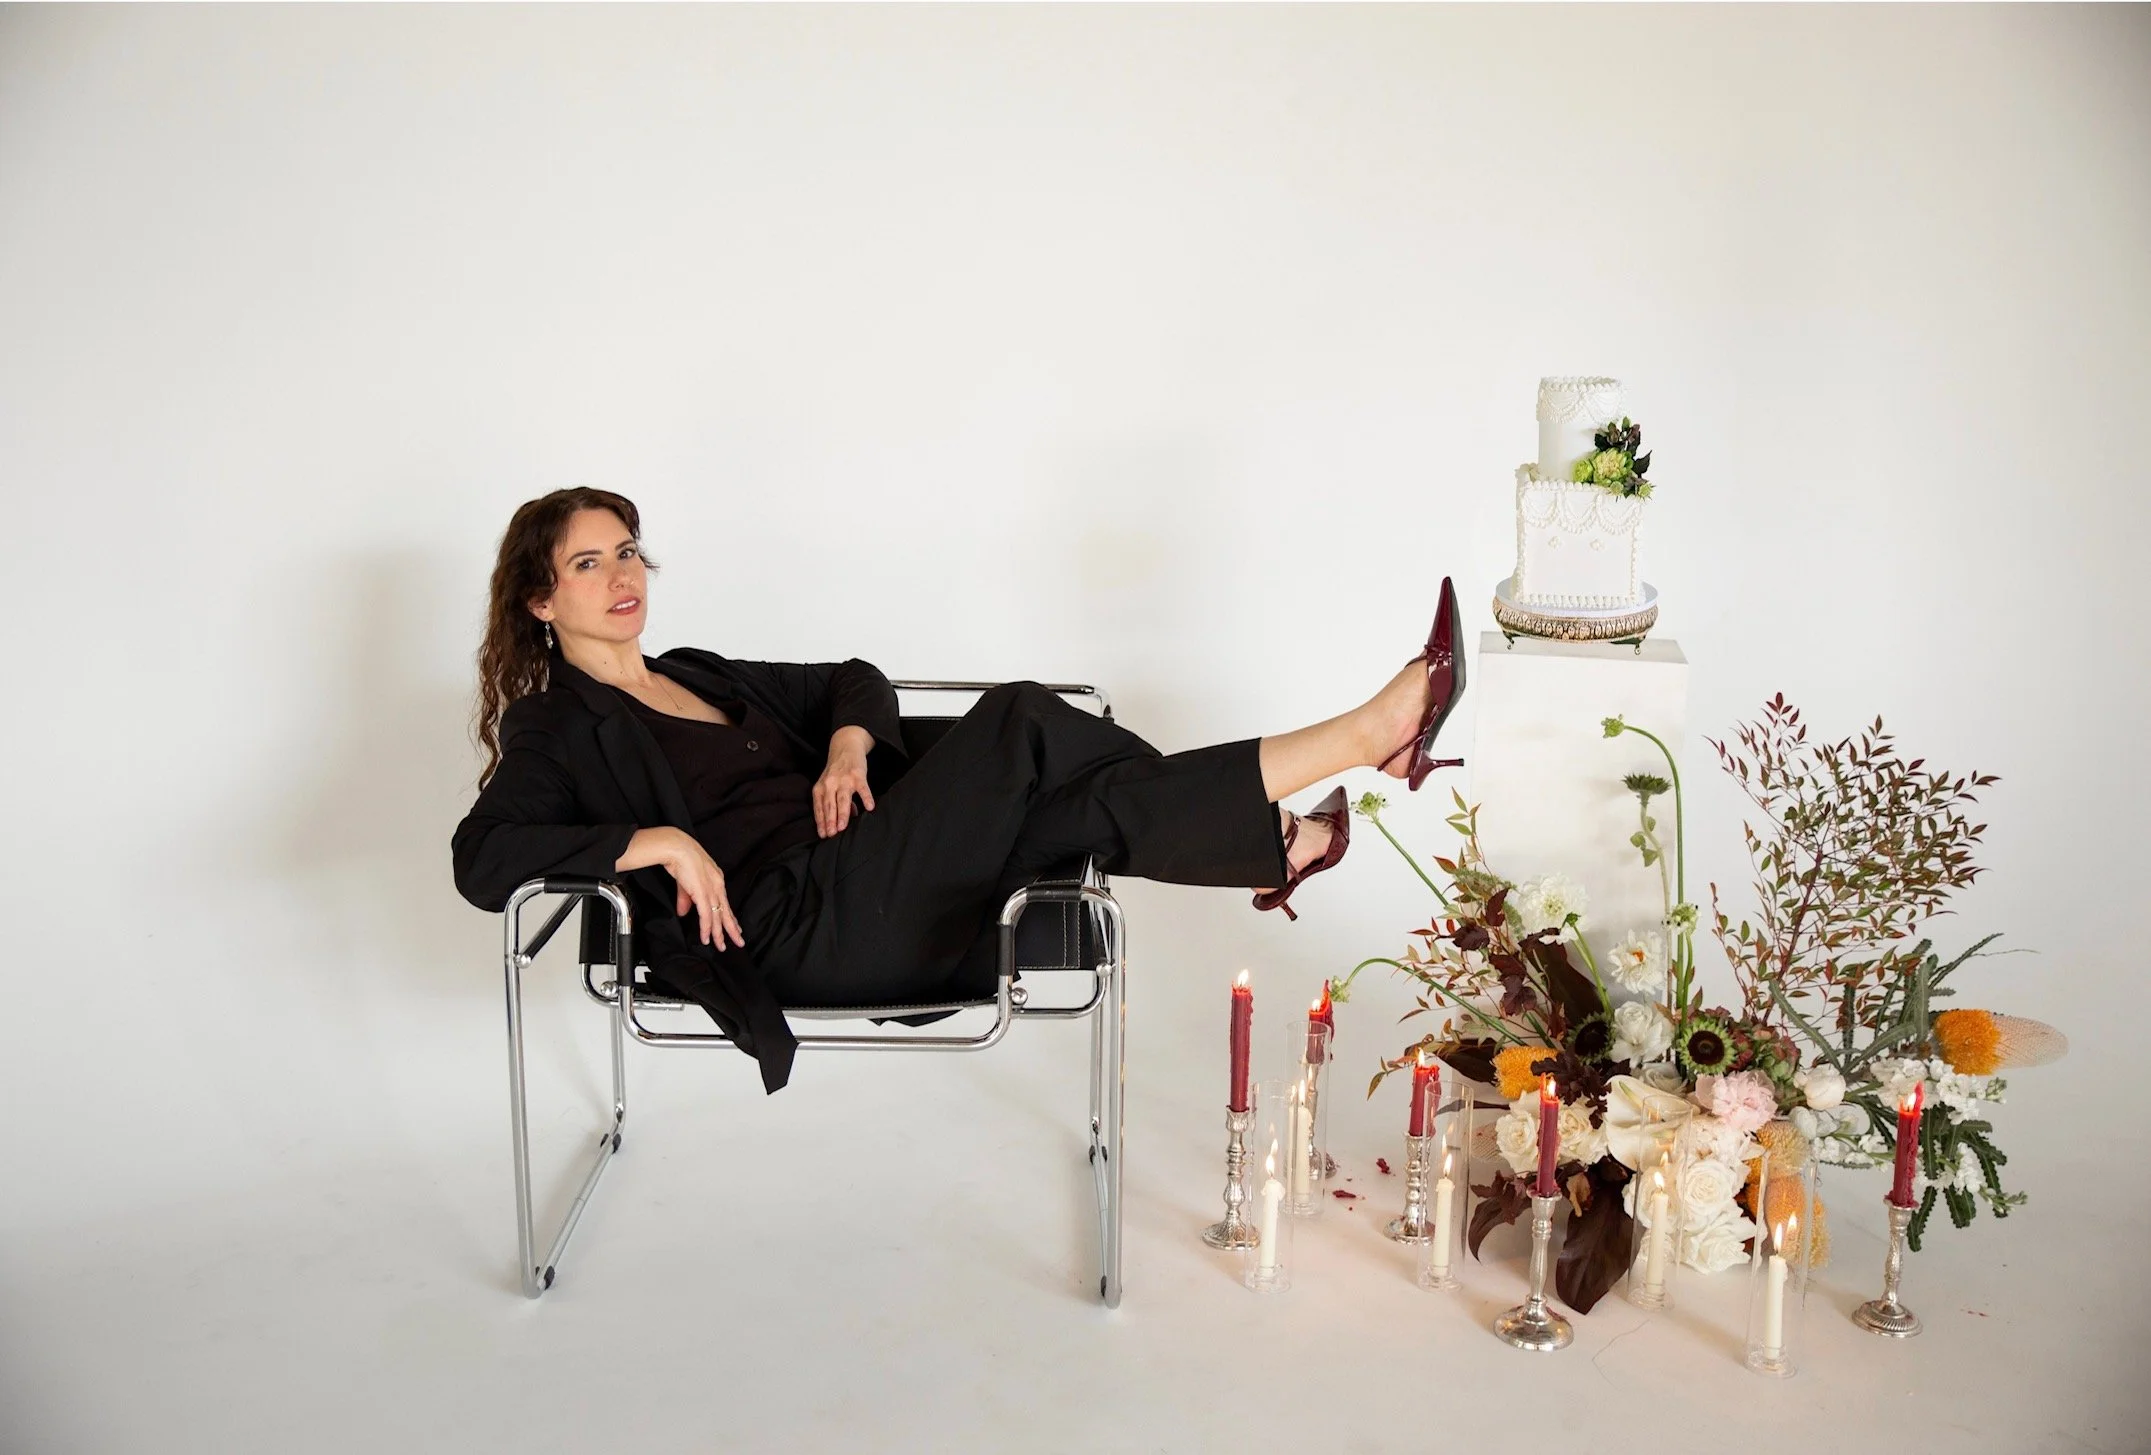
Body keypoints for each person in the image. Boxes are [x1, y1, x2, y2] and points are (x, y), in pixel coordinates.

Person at [451, 487, 1466, 1093]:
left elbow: (851, 679)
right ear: (541, 600)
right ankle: (1355, 750)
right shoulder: (554, 727)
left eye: (628, 550)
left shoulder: (697, 672)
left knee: (1080, 808)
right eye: (588, 563)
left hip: (871, 873)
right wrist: (658, 843)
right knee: (1020, 716)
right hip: (798, 926)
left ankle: (1294, 826)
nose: (621, 575)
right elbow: (480, 858)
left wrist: (847, 748)